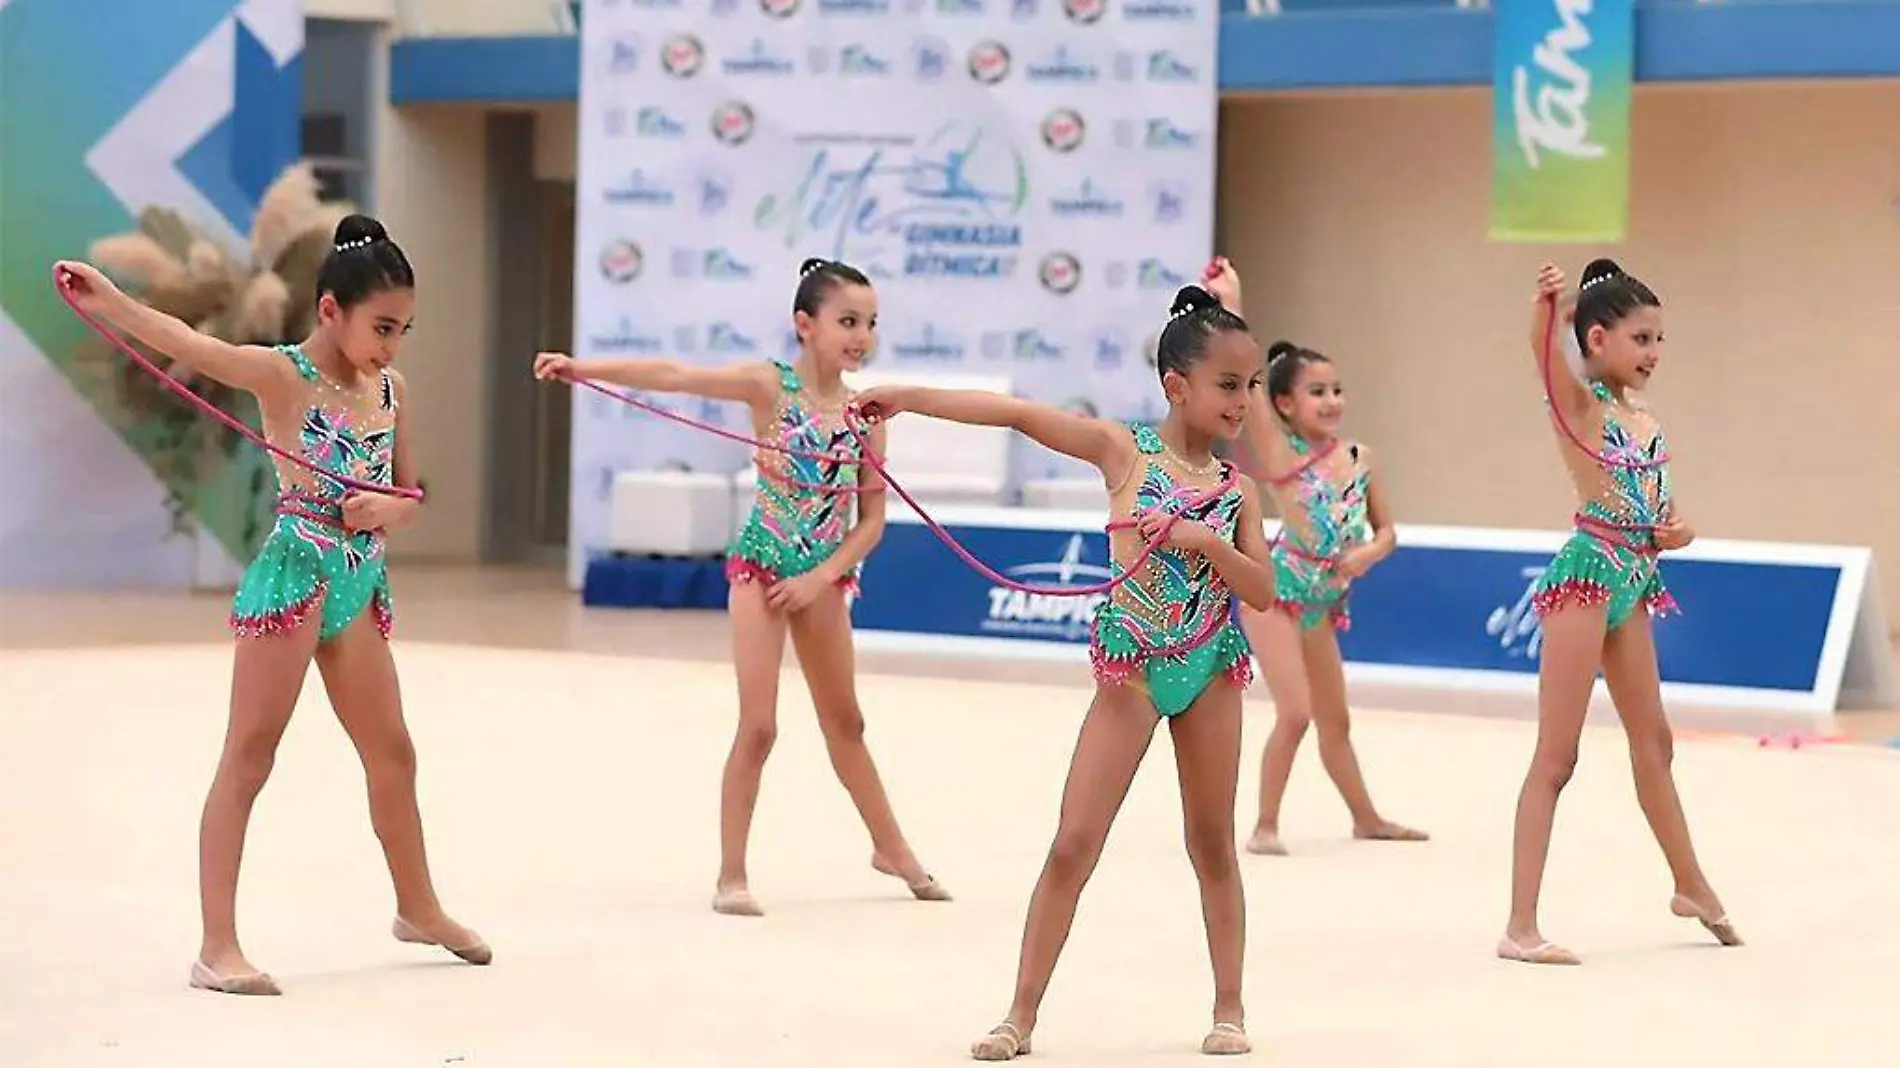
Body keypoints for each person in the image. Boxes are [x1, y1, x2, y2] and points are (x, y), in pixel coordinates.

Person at [54, 214, 490, 996]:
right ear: (330, 310)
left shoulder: (392, 388)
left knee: (394, 752)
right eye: (382, 327)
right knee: (250, 756)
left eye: (404, 330)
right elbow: (191, 345)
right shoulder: (282, 375)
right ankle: (215, 947)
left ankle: (417, 906)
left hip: (357, 579)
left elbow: (413, 492)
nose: (393, 345)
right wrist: (111, 303)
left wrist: (390, 512)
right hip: (296, 574)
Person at [853, 284, 1277, 1060]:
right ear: (1176, 385)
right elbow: (1018, 416)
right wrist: (906, 398)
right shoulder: (1122, 451)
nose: (1244, 400)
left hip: (1211, 667)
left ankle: (1230, 1006)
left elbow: (1267, 591)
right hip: (1136, 674)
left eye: (1249, 385)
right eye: (1228, 384)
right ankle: (1019, 1015)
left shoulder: (1236, 490)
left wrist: (1207, 543)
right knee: (1073, 843)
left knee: (1212, 843)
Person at [532, 257, 946, 916]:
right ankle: (732, 875)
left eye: (869, 323)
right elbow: (673, 375)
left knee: (847, 722)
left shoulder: (869, 415)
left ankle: (890, 847)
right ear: (804, 325)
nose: (861, 335)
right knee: (759, 727)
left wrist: (819, 578)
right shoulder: (768, 389)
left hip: (822, 579)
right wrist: (583, 368)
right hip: (761, 570)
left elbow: (870, 524)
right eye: (847, 321)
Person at [1499, 259, 1739, 965]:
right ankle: (1519, 926)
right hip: (1587, 580)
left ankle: (1690, 883)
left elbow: (1661, 509)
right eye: (1641, 339)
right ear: (1597, 339)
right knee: (1557, 755)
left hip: (1633, 579)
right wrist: (1545, 306)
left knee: (1655, 742)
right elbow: (1543, 360)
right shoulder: (1582, 409)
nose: (1654, 353)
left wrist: (1678, 530)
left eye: (1660, 339)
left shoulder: (1645, 420)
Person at [1205, 261, 1425, 857]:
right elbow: (1245, 382)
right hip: (1276, 596)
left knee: (1337, 720)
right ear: (1283, 403)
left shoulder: (1360, 455)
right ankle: (1264, 825)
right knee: (1296, 712)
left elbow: (1389, 532)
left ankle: (1366, 817)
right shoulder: (1281, 455)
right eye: (1316, 392)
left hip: (1325, 601)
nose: (1331, 401)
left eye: (1336, 390)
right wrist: (1234, 303)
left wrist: (1367, 555)